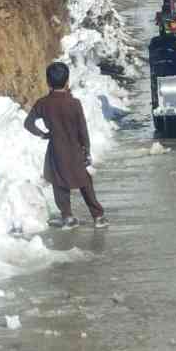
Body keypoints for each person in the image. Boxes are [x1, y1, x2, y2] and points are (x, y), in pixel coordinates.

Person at [24, 61, 107, 229]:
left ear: (48, 82)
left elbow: (28, 123)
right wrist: (86, 150)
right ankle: (98, 216)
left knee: (59, 183)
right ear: (67, 81)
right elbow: (83, 130)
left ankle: (67, 216)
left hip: (56, 150)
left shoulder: (43, 103)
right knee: (85, 183)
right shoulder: (74, 103)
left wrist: (43, 134)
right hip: (75, 150)